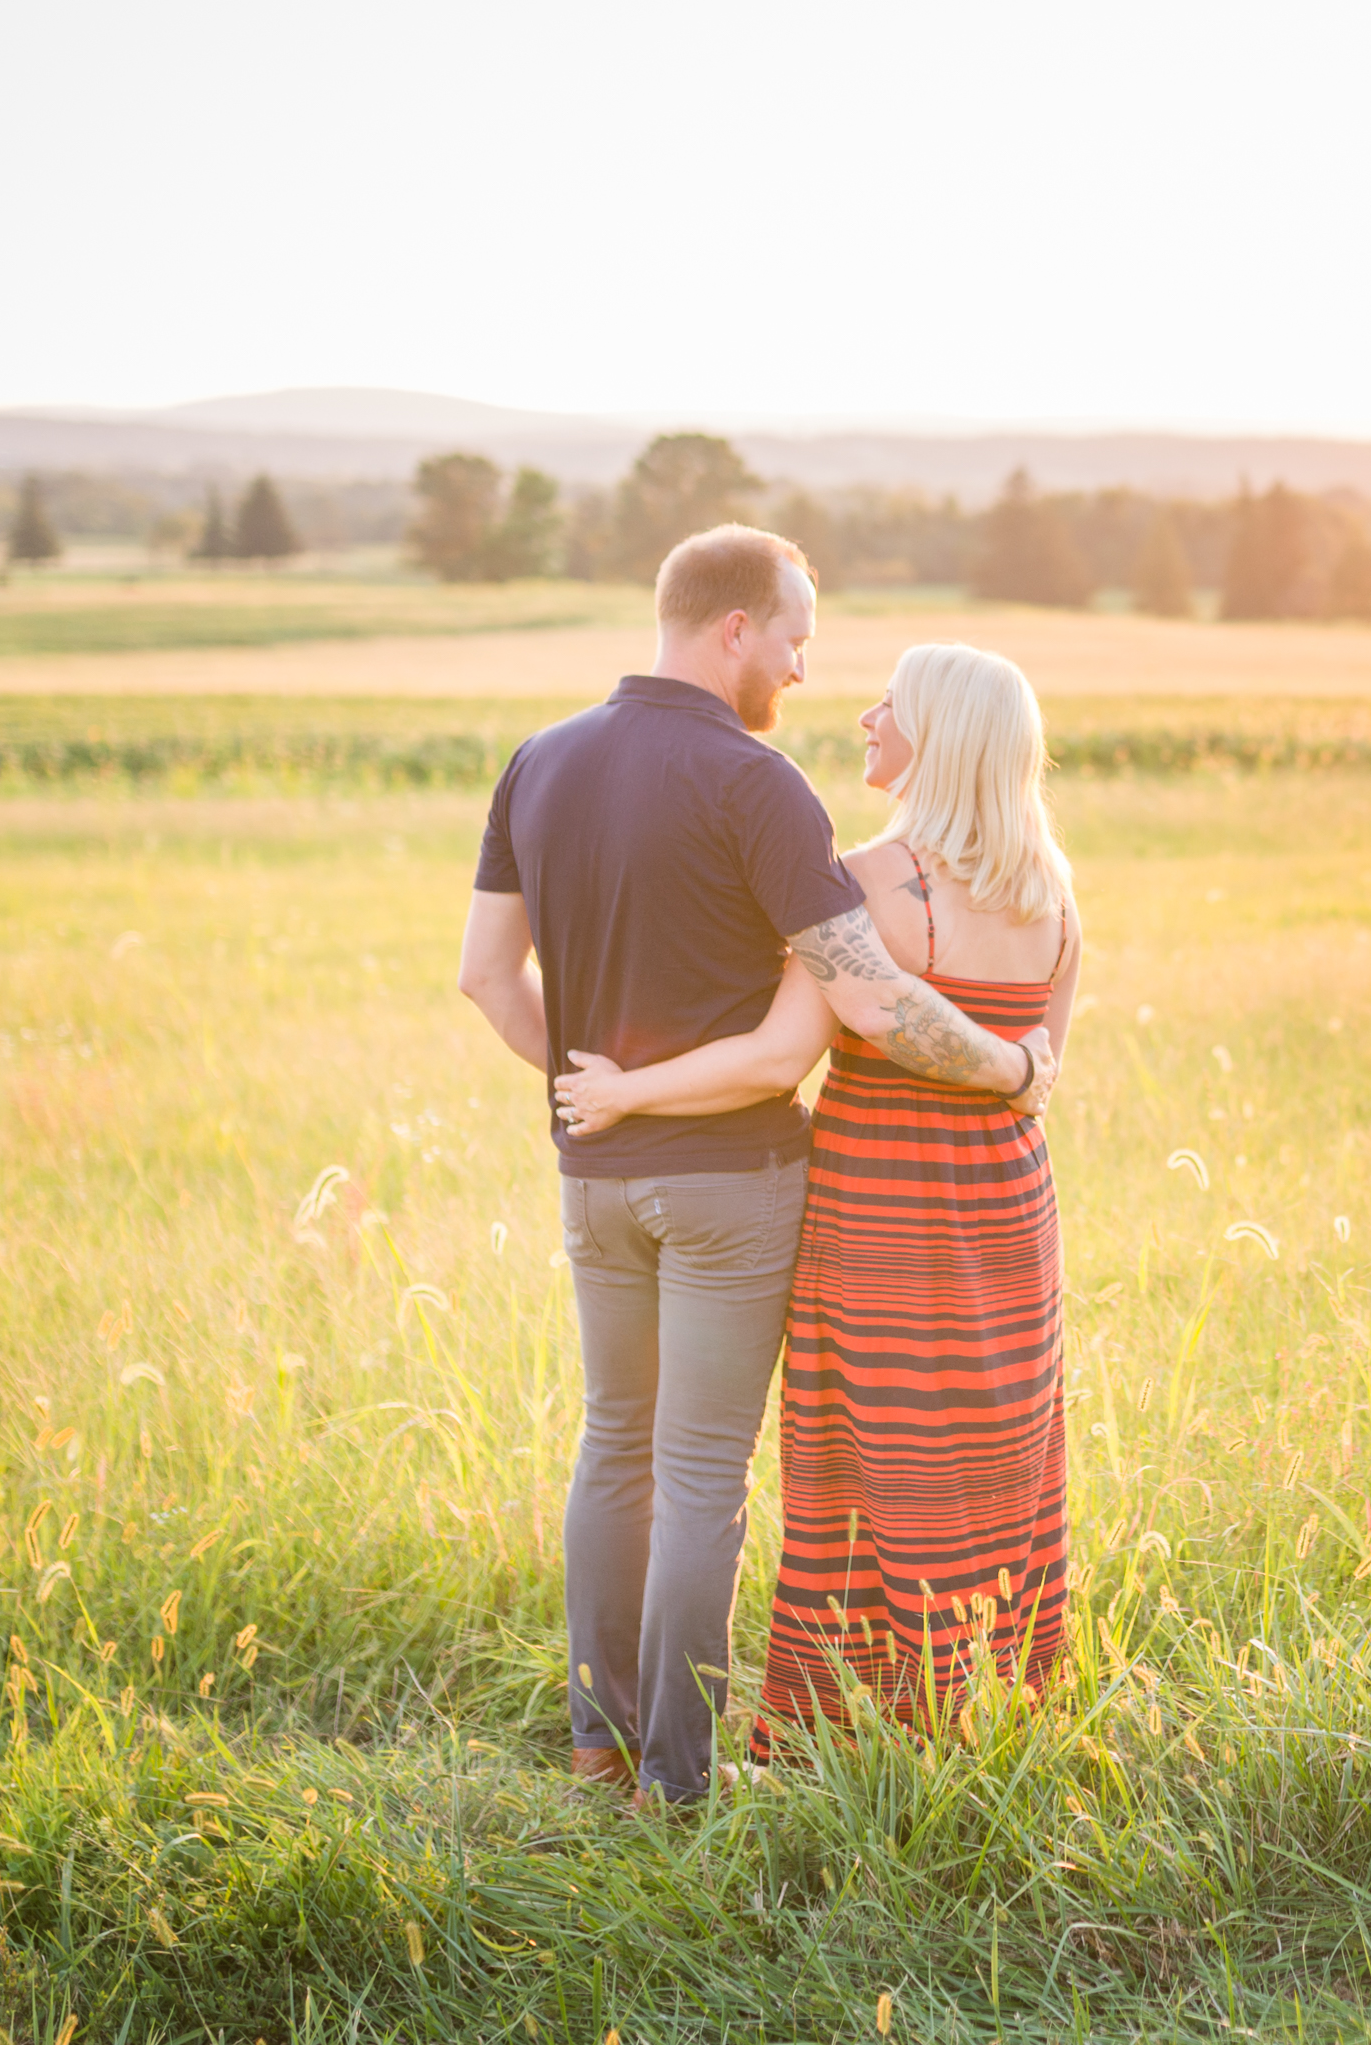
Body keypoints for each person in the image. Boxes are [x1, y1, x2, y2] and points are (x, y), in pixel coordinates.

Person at [455, 530, 1057, 1808]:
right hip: (731, 1180)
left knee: (611, 1447)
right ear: (733, 628)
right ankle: (677, 1778)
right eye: (792, 637)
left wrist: (589, 1099)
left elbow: (484, 975)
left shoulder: (538, 760)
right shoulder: (764, 784)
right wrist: (1012, 1069)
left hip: (595, 1172)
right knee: (697, 1477)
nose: (798, 666)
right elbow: (861, 1007)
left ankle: (592, 1749)